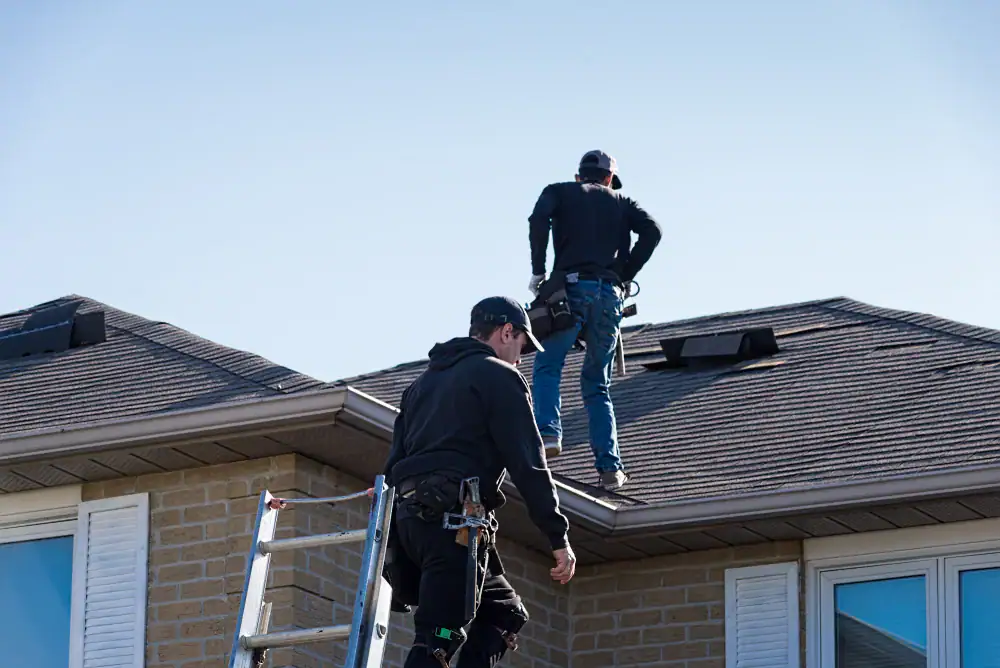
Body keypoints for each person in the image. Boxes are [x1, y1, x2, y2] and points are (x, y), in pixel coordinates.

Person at [382, 296, 577, 667]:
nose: (521, 358)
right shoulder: (500, 377)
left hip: (414, 526)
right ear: (507, 331)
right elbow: (529, 465)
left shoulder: (420, 386)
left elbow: (393, 467)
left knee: (504, 613)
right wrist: (558, 537)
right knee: (438, 637)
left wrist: (392, 544)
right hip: (452, 526)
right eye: (521, 345)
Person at [527, 149, 662, 491]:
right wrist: (624, 272)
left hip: (571, 291)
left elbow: (538, 219)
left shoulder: (560, 191)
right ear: (607, 179)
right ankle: (610, 469)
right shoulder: (622, 203)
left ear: (579, 176)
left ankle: (548, 434)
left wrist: (539, 270)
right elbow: (653, 232)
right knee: (596, 385)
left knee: (547, 365)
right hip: (609, 297)